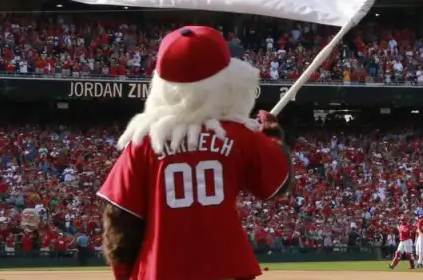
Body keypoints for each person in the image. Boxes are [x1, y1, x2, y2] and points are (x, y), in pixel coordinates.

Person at [98, 25, 292, 280]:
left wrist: (124, 273)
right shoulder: (241, 135)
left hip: (161, 270)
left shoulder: (143, 141)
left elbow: (120, 219)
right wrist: (272, 136)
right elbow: (275, 183)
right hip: (227, 267)